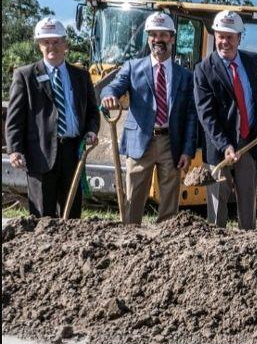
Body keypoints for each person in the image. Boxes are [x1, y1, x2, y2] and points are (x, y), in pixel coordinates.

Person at [101, 12, 198, 224]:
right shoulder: (132, 67)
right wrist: (109, 95)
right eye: (153, 34)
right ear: (148, 38)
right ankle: (129, 240)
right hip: (139, 143)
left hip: (170, 143)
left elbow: (191, 116)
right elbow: (113, 86)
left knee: (169, 203)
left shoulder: (185, 75)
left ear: (172, 38)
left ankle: (165, 242)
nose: (158, 39)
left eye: (163, 35)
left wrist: (187, 150)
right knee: (133, 199)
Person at [5, 17, 99, 218]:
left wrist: (91, 130)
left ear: (65, 44)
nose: (51, 46)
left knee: (72, 216)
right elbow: (14, 118)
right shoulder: (25, 75)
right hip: (40, 154)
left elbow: (92, 111)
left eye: (56, 41)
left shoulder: (81, 75)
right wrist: (15, 149)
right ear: (39, 45)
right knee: (42, 218)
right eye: (46, 42)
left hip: (73, 153)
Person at [193, 10, 257, 230]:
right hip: (220, 150)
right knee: (217, 208)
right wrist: (225, 145)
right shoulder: (204, 70)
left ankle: (248, 245)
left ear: (239, 37)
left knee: (248, 208)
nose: (224, 42)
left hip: (247, 144)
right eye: (220, 36)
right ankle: (215, 250)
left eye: (229, 37)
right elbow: (206, 114)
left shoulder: (253, 61)